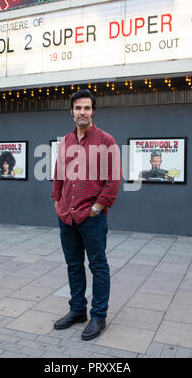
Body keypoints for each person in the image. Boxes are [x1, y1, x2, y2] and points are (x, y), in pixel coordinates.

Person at [52, 89, 121, 341]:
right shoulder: (65, 142)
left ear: (93, 111)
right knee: (73, 265)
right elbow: (58, 175)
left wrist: (98, 207)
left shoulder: (106, 141)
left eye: (87, 108)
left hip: (91, 217)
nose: (82, 112)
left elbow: (113, 180)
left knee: (98, 266)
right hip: (67, 216)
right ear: (71, 112)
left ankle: (99, 316)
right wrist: (56, 201)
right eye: (78, 108)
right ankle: (77, 310)